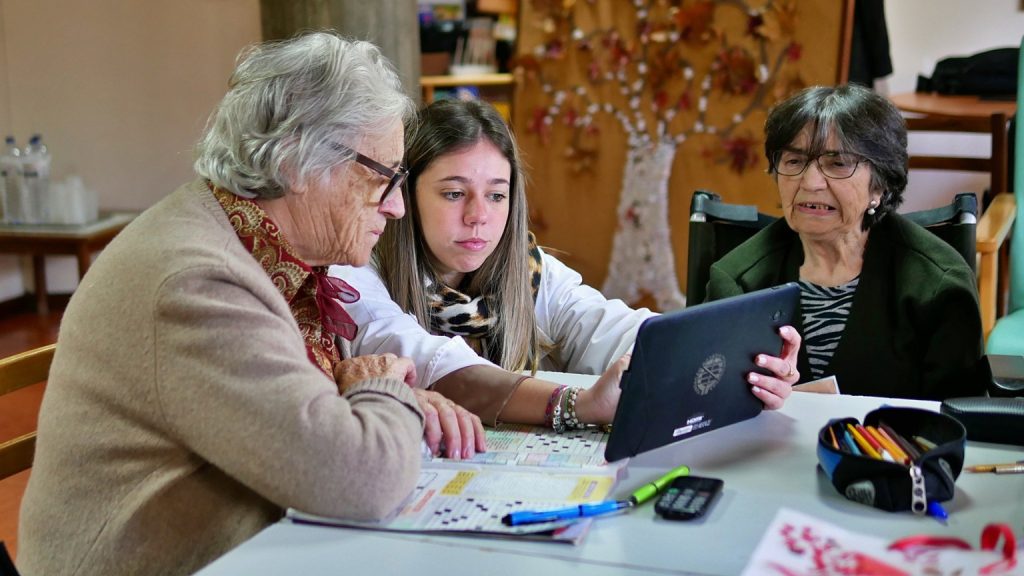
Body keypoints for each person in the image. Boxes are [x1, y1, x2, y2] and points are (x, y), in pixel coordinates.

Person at [17, 32, 477, 576]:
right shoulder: (197, 282)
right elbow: (360, 481)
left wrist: (382, 401)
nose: (398, 205)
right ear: (293, 162)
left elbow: (298, 415)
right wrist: (385, 392)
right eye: (385, 177)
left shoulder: (249, 244)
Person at [331, 98, 802, 446]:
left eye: (497, 194)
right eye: (454, 193)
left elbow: (611, 327)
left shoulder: (530, 273)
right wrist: (572, 404)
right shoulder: (355, 272)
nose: (479, 215)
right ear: (407, 198)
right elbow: (428, 359)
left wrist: (740, 361)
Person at [705, 84, 986, 400]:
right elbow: (706, 405)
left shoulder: (940, 286)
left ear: (879, 185)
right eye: (794, 161)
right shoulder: (736, 281)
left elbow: (961, 423)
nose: (810, 183)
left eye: (837, 163)